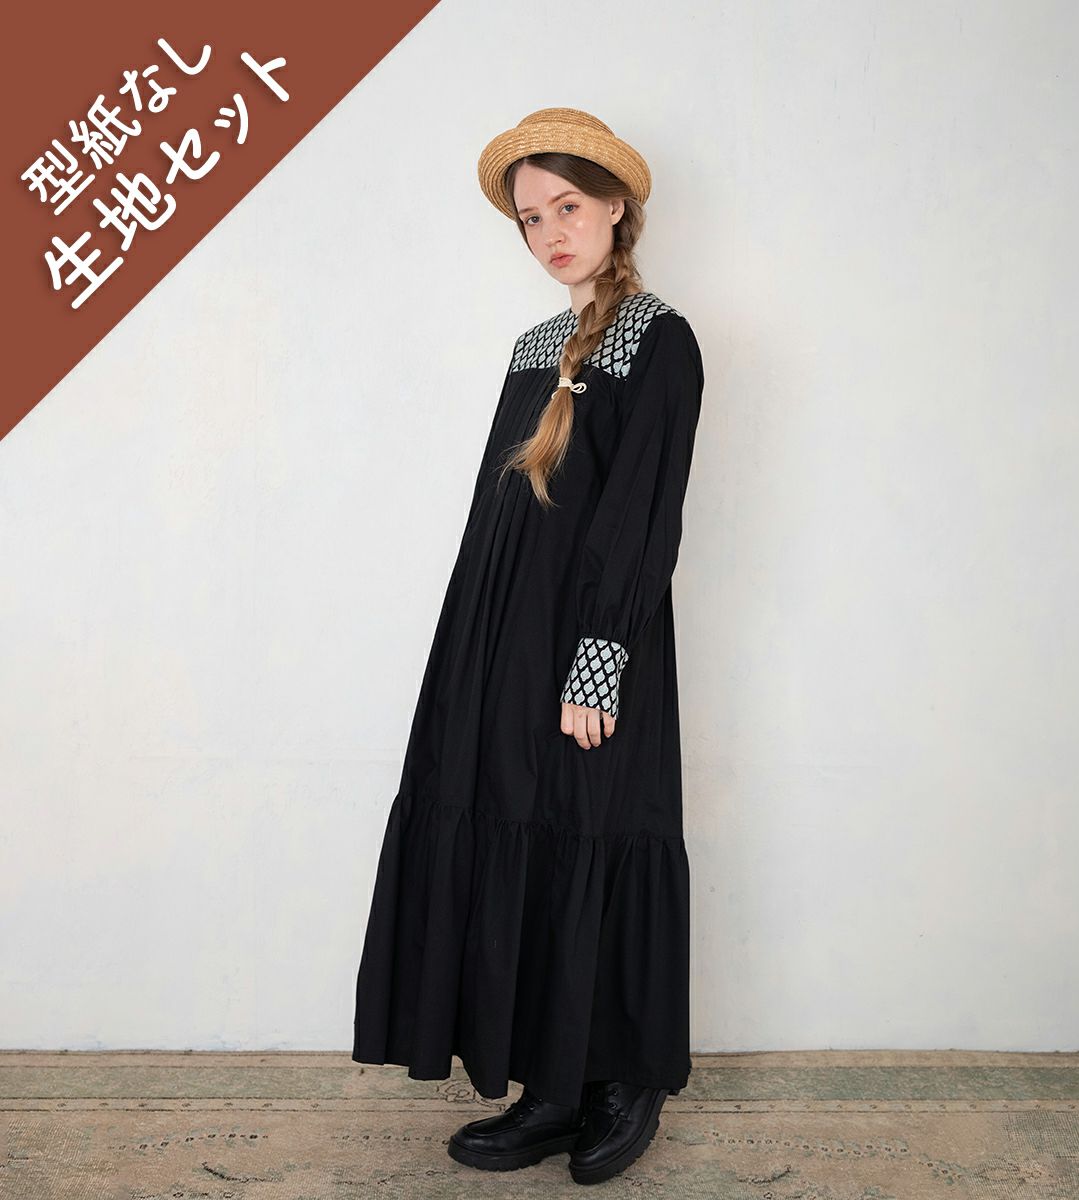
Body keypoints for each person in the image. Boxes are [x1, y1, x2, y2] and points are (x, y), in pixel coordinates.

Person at [351, 106, 705, 1186]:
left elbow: (640, 515)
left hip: (593, 642)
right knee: (525, 830)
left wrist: (598, 661)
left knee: (599, 827)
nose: (551, 232)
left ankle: (622, 1079)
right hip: (499, 641)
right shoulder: (532, 348)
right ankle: (550, 1084)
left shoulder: (661, 339)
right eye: (530, 218)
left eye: (567, 207)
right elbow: (499, 518)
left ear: (616, 207)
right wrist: (469, 656)